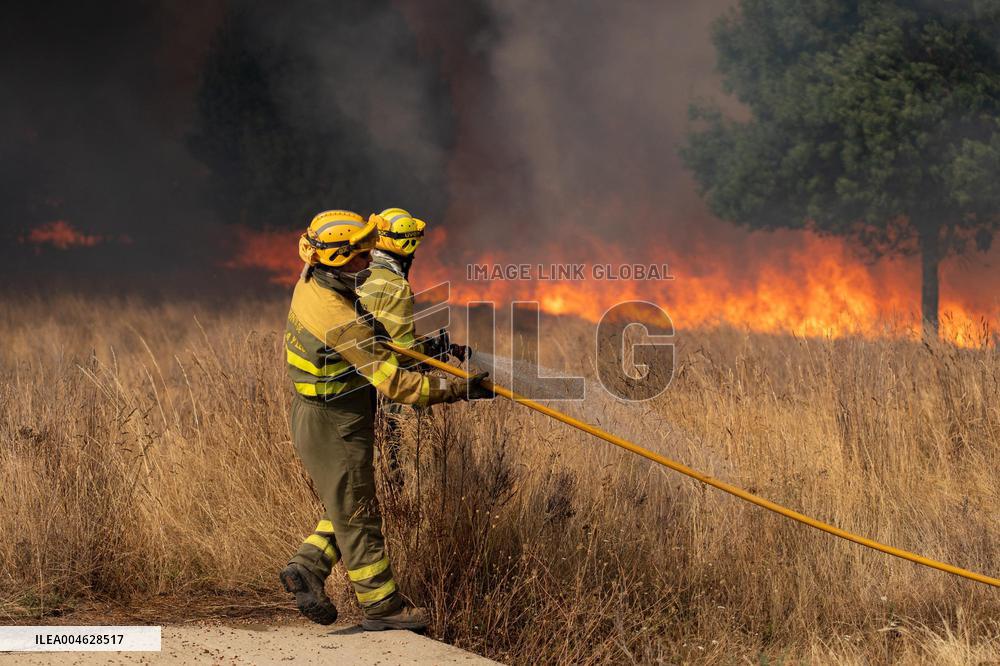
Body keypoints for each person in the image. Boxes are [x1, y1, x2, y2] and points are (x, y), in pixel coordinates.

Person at [278, 210, 493, 631]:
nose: (369, 261)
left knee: (349, 501)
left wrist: (423, 345)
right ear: (338, 260)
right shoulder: (340, 323)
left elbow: (378, 340)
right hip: (336, 423)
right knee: (359, 512)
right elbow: (396, 385)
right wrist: (457, 390)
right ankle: (383, 608)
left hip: (322, 414)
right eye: (360, 255)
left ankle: (308, 567)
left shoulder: (313, 278)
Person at [355, 208, 469, 484]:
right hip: (384, 386)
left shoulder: (362, 274)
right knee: (398, 459)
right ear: (405, 248)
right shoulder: (395, 287)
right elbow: (401, 353)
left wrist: (432, 345)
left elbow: (382, 334)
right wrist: (431, 352)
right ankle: (400, 494)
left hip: (354, 379)